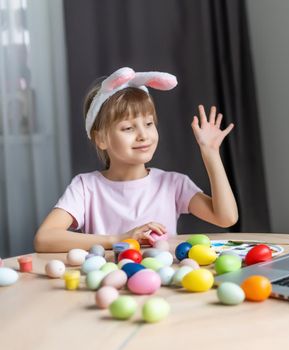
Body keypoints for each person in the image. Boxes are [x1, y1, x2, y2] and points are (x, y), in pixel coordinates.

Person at [34, 67, 238, 252]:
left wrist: (211, 154)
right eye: (128, 128)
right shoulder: (86, 187)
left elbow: (226, 217)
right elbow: (44, 238)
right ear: (101, 139)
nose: (143, 135)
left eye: (149, 124)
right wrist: (119, 239)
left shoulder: (173, 184)